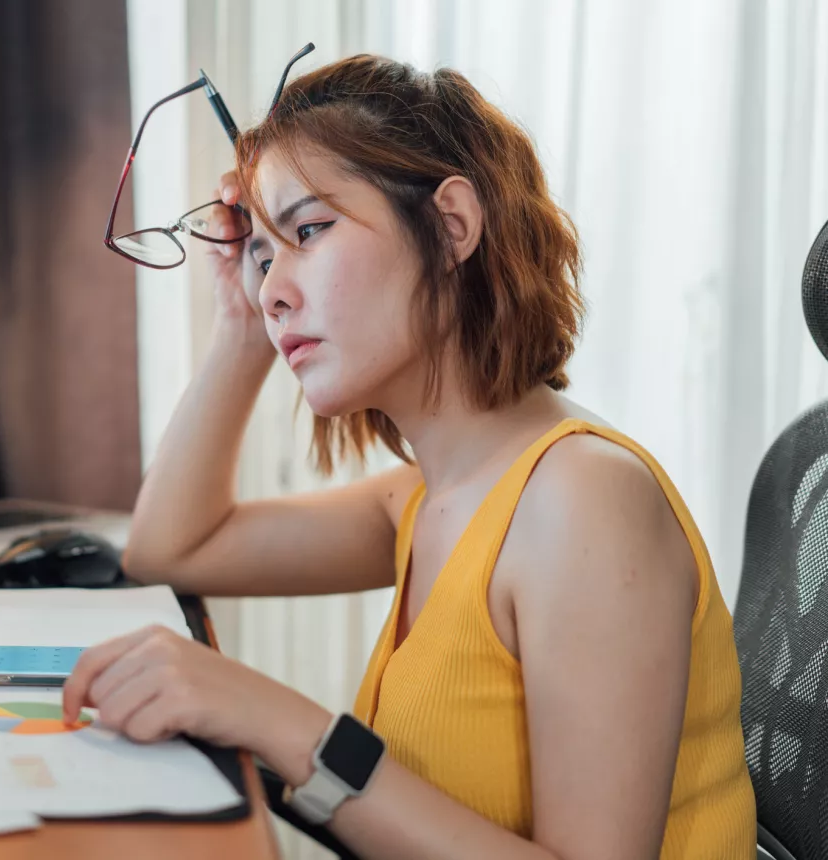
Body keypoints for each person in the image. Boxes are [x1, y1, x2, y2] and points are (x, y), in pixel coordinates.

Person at [63, 54, 756, 859]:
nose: (271, 287)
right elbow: (169, 547)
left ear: (451, 224)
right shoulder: (425, 497)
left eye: (309, 231)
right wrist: (241, 327)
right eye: (262, 256)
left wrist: (277, 719)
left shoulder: (583, 502)